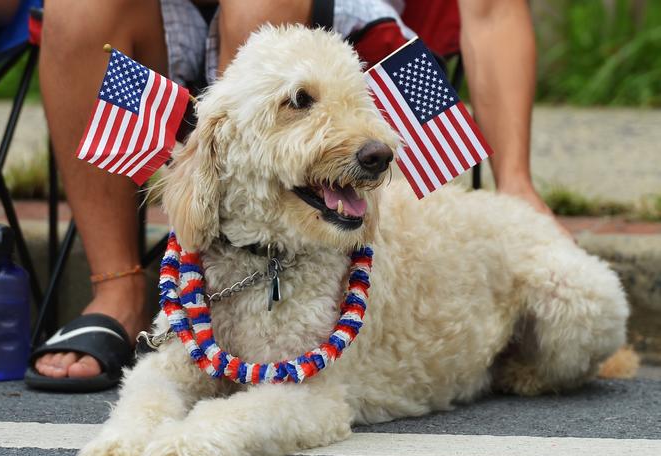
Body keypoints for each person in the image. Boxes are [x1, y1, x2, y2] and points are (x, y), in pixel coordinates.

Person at [28, 0, 558, 390]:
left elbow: (491, 11)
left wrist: (516, 182)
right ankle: (122, 286)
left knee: (261, 4)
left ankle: (262, 257)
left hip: (328, 16)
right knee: (77, 7)